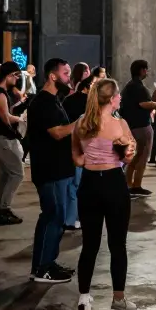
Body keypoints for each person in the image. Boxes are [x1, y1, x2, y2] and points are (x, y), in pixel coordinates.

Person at [72, 79, 138, 310]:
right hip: (113, 183)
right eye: (118, 95)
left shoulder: (81, 123)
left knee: (89, 244)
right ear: (111, 99)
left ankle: (83, 299)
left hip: (89, 184)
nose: (120, 98)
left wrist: (92, 158)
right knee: (117, 244)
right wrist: (124, 152)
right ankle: (118, 302)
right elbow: (128, 157)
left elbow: (77, 158)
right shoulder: (120, 124)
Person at [26, 58, 76, 284]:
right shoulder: (43, 102)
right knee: (53, 216)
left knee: (55, 217)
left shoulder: (54, 100)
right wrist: (80, 123)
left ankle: (47, 262)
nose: (69, 77)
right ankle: (42, 268)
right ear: (52, 76)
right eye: (65, 73)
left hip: (58, 169)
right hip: (50, 170)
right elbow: (56, 133)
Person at [0, 61, 29, 225]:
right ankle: (4, 209)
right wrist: (21, 119)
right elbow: (5, 118)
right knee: (17, 173)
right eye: (16, 76)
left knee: (4, 175)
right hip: (1, 138)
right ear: (9, 75)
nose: (17, 79)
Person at [119, 60, 156, 197]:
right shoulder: (138, 87)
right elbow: (143, 104)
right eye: (146, 69)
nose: (147, 72)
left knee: (135, 156)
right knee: (142, 156)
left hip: (131, 126)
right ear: (142, 70)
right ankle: (136, 186)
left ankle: (128, 184)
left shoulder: (129, 86)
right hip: (141, 126)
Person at [61, 77, 94, 229]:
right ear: (88, 86)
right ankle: (74, 218)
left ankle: (70, 218)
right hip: (84, 147)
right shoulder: (91, 103)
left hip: (69, 145)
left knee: (71, 185)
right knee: (79, 185)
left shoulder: (67, 100)